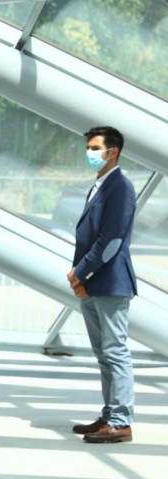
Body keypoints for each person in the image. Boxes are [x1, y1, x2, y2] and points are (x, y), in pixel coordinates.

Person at [68, 126, 137, 444]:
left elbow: (111, 240)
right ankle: (110, 415)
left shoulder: (120, 187)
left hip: (110, 282)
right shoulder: (100, 185)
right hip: (94, 282)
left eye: (96, 148)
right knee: (104, 354)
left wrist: (81, 273)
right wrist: (81, 276)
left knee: (115, 352)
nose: (90, 153)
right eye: (89, 147)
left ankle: (121, 421)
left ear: (113, 152)